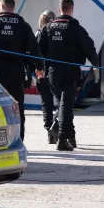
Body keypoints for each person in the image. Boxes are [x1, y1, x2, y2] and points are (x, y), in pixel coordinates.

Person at [0, 0, 42, 142]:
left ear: (1, 6)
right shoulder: (23, 25)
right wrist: (38, 67)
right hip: (16, 72)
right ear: (13, 7)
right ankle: (18, 140)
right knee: (17, 108)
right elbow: (34, 49)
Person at [38, 0, 98, 151]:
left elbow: (40, 51)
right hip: (70, 72)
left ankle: (71, 136)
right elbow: (89, 47)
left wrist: (41, 68)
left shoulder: (48, 27)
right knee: (65, 106)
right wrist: (96, 64)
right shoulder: (76, 28)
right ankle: (63, 139)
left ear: (59, 9)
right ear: (72, 9)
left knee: (65, 105)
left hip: (53, 73)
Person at [34, 10, 57, 144]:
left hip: (42, 72)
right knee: (61, 102)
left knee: (46, 104)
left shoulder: (38, 34)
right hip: (55, 71)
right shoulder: (56, 34)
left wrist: (36, 71)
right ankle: (54, 128)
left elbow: (34, 54)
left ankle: (49, 129)